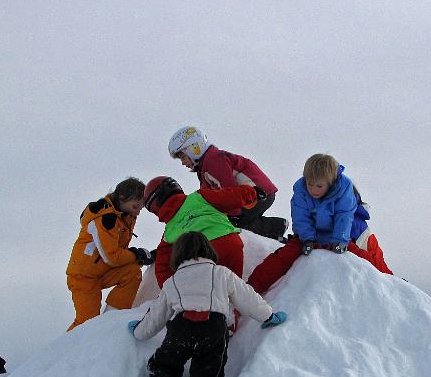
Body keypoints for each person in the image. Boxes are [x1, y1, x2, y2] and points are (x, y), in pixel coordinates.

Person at [128, 231, 287, 377]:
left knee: (165, 362)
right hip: (212, 328)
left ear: (178, 255)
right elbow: (247, 298)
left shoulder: (173, 281)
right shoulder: (221, 273)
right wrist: (268, 315)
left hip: (181, 327)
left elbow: (157, 315)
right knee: (207, 375)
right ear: (208, 251)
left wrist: (139, 332)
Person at [247, 153, 393, 295]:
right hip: (310, 235)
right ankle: (251, 288)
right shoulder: (301, 190)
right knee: (283, 256)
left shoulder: (344, 189)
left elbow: (344, 216)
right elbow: (301, 217)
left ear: (331, 183)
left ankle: (392, 281)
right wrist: (307, 238)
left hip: (335, 235)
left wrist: (340, 240)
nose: (313, 190)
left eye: (319, 186)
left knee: (362, 255)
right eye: (310, 184)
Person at [168, 126, 288, 240]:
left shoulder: (213, 160)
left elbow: (228, 189)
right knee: (230, 222)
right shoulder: (205, 167)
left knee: (231, 223)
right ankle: (274, 232)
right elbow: (212, 197)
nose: (183, 163)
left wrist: (231, 214)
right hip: (250, 195)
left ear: (194, 148)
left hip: (257, 193)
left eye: (183, 157)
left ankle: (276, 228)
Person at [66, 177, 153, 331]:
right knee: (86, 324)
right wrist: (135, 255)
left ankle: (111, 323)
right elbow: (111, 256)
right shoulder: (105, 218)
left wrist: (138, 258)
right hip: (84, 276)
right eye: (136, 206)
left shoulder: (126, 215)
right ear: (122, 198)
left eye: (141, 207)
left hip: (103, 270)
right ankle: (60, 353)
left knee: (132, 272)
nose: (138, 211)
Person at [143, 175, 256, 288]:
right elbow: (231, 196)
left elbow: (162, 266)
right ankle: (239, 302)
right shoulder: (199, 197)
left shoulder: (168, 232)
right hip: (229, 244)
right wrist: (252, 192)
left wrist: (169, 290)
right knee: (234, 289)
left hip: (201, 258)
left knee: (213, 294)